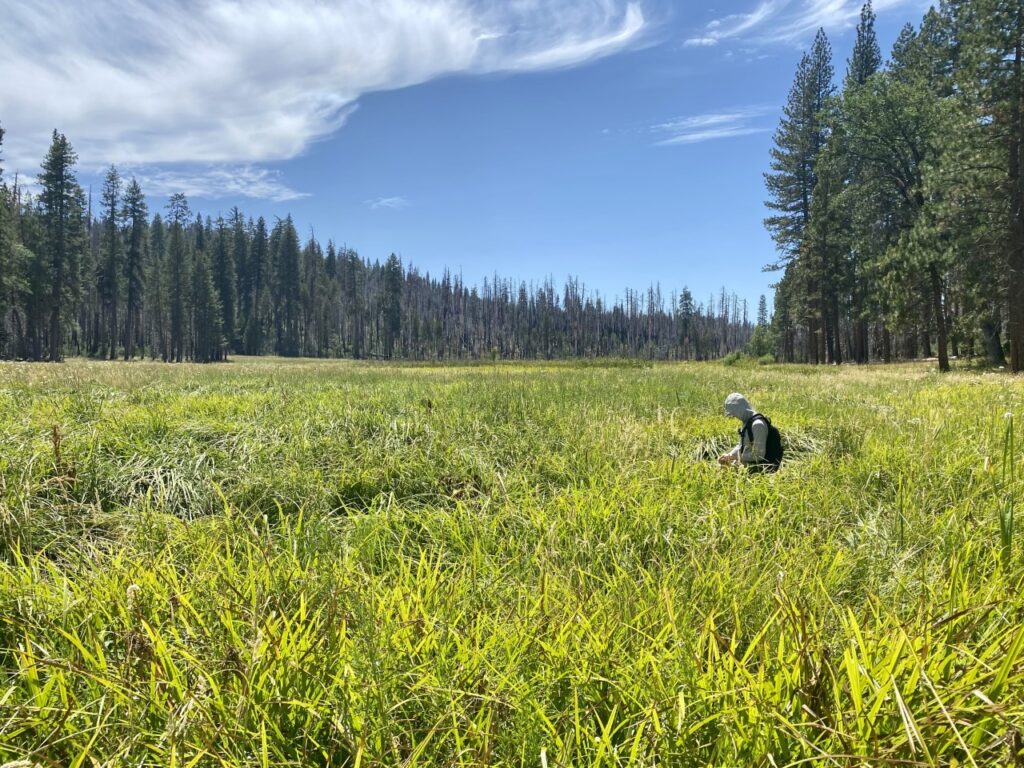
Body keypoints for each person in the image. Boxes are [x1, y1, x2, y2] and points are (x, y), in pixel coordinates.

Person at [718, 392, 769, 470]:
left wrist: (737, 456)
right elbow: (742, 446)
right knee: (722, 467)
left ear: (740, 410)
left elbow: (759, 455)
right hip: (748, 465)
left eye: (734, 414)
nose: (734, 416)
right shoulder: (747, 423)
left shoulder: (757, 425)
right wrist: (729, 455)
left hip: (761, 469)